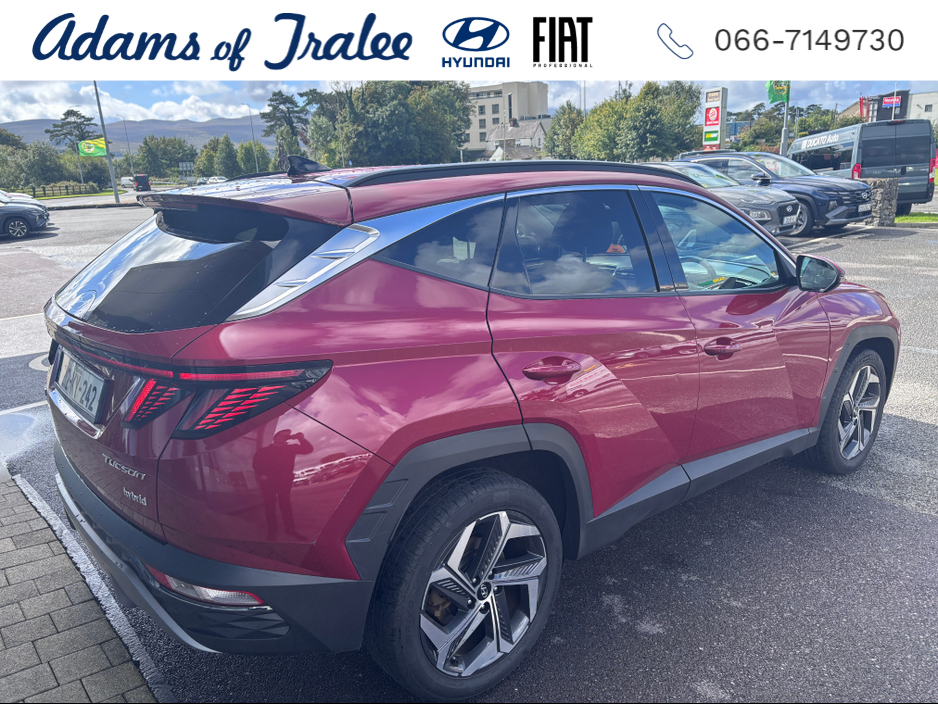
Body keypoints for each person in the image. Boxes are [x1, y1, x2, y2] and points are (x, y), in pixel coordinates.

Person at [252, 430, 313, 540]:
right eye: (281, 436)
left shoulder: (291, 448)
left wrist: (302, 439)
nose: (283, 437)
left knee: (285, 503)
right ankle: (272, 530)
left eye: (286, 436)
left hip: (285, 480)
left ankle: (290, 529)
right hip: (268, 481)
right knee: (269, 505)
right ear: (274, 438)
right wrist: (261, 474)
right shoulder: (264, 451)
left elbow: (308, 449)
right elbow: (256, 463)